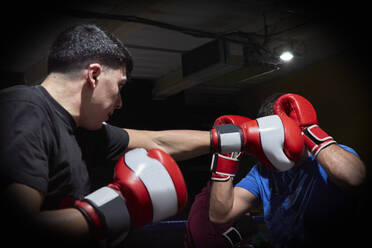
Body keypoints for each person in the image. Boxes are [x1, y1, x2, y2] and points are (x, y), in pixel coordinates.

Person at [0, 24, 218, 248]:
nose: (120, 102)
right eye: (119, 85)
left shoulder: (83, 130)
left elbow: (157, 142)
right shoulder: (23, 110)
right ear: (94, 75)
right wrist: (114, 208)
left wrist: (230, 138)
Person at [208, 93, 366, 248]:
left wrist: (310, 131)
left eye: (281, 133)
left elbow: (354, 178)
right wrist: (226, 158)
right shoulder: (262, 171)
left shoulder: (330, 156)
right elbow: (220, 214)